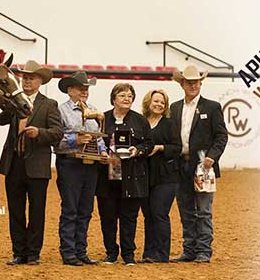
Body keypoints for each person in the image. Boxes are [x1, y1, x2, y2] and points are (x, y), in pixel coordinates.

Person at [0, 60, 63, 265]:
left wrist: (39, 133)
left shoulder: (49, 104)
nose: (26, 80)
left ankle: (33, 253)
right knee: (15, 210)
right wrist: (10, 105)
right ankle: (19, 252)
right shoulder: (15, 100)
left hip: (36, 165)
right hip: (14, 162)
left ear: (40, 81)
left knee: (36, 211)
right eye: (24, 77)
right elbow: (1, 120)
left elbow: (57, 132)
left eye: (31, 77)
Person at [169, 65, 228, 263]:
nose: (193, 85)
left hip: (204, 166)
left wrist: (213, 156)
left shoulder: (212, 107)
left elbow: (221, 136)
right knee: (186, 210)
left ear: (200, 83)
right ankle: (189, 249)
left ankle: (203, 250)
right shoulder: (175, 108)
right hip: (180, 165)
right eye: (189, 82)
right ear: (182, 84)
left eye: (196, 82)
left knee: (203, 211)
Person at [96, 83, 153, 266]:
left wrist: (137, 150)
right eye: (122, 95)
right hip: (107, 176)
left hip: (132, 177)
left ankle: (128, 255)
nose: (127, 98)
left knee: (129, 217)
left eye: (130, 96)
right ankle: (111, 253)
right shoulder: (102, 119)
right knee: (108, 216)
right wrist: (101, 155)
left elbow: (149, 144)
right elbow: (95, 142)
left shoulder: (140, 120)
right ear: (114, 98)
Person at [54, 71, 108, 266]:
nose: (85, 91)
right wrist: (74, 140)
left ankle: (80, 251)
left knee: (85, 209)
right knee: (70, 208)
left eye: (86, 88)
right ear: (70, 90)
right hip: (70, 163)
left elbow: (98, 137)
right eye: (80, 87)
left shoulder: (94, 110)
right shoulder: (60, 111)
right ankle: (68, 252)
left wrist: (102, 152)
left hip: (90, 165)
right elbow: (55, 140)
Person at [140, 89, 182, 263]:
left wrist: (160, 148)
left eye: (162, 103)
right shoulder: (140, 122)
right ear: (148, 102)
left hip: (166, 176)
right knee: (148, 214)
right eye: (156, 101)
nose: (159, 105)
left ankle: (162, 253)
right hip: (144, 175)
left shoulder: (169, 124)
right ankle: (149, 253)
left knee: (159, 213)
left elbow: (177, 148)